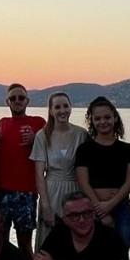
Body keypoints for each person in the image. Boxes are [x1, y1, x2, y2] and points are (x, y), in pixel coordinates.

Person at [0, 83, 46, 258]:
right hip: (1, 192)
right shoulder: (2, 123)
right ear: (7, 102)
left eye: (21, 97)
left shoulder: (38, 123)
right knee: (0, 241)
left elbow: (50, 148)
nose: (17, 101)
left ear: (27, 101)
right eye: (13, 98)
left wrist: (35, 139)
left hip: (26, 193)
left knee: (24, 244)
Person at [74, 96, 130, 249]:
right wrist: (100, 210)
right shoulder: (85, 149)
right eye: (98, 118)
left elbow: (129, 182)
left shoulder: (128, 150)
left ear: (115, 118)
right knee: (95, 255)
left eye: (107, 117)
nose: (103, 122)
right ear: (92, 121)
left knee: (121, 253)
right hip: (92, 209)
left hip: (121, 208)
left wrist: (110, 204)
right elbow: (83, 182)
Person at [30, 91, 88, 246]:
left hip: (76, 189)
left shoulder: (82, 134)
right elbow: (39, 173)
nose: (62, 110)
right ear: (51, 111)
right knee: (51, 238)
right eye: (57, 107)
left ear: (71, 108)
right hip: (51, 191)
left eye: (65, 106)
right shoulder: (42, 136)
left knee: (76, 235)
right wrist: (45, 205)